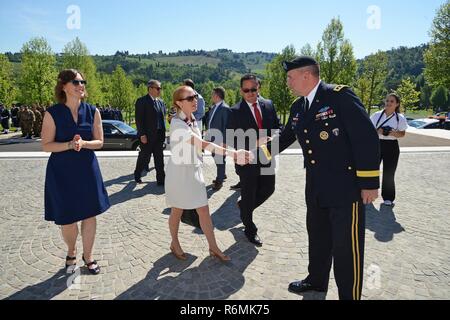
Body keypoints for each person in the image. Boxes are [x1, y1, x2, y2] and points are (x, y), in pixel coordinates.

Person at [261, 56, 380, 300]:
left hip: (346, 189)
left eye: (290, 77)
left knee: (346, 249)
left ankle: (349, 295)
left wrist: (369, 183)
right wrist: (254, 155)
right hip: (315, 187)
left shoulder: (339, 97)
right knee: (318, 237)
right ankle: (316, 281)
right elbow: (285, 138)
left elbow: (366, 138)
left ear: (306, 76)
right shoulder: (298, 107)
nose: (287, 82)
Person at [165, 85, 251, 262]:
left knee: (204, 210)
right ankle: (174, 242)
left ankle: (213, 247)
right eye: (190, 98)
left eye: (195, 96)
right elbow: (202, 143)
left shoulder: (192, 120)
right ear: (179, 103)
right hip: (180, 175)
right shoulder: (177, 124)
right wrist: (234, 154)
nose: (195, 100)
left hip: (194, 171)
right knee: (177, 210)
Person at [41, 69, 110, 275]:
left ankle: (88, 256)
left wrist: (85, 143)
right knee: (68, 219)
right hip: (61, 172)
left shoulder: (93, 111)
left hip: (87, 170)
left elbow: (100, 142)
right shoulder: (52, 113)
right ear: (63, 86)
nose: (81, 85)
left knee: (89, 215)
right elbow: (46, 145)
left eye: (83, 81)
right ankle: (71, 250)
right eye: (76, 81)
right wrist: (70, 145)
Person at [227, 74, 281, 247]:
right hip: (246, 161)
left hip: (266, 156)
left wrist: (276, 135)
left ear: (259, 88)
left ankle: (244, 208)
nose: (250, 93)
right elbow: (230, 140)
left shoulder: (269, 105)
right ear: (241, 91)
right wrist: (254, 142)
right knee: (249, 195)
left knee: (268, 189)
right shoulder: (234, 111)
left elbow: (277, 126)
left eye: (253, 89)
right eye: (246, 90)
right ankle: (250, 229)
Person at [370, 93, 407, 207]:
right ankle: (369, 194)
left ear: (397, 104)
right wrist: (378, 131)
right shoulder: (376, 115)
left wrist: (392, 133)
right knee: (371, 171)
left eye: (391, 101)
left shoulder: (399, 118)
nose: (388, 103)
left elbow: (402, 134)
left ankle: (388, 198)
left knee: (389, 173)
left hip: (392, 146)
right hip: (376, 144)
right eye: (387, 101)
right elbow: (368, 130)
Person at [133, 80, 166, 185]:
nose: (159, 90)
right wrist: (142, 134)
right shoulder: (141, 101)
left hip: (159, 136)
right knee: (144, 157)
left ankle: (161, 180)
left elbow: (162, 119)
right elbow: (139, 120)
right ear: (150, 88)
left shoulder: (161, 102)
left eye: (160, 88)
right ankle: (137, 174)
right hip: (147, 137)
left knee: (159, 159)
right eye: (158, 88)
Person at [205, 87, 231, 190]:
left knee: (220, 159)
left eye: (212, 94)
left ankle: (219, 181)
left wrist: (225, 142)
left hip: (220, 139)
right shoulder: (214, 107)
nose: (211, 96)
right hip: (213, 137)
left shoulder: (225, 108)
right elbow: (210, 122)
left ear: (217, 95)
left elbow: (227, 127)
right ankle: (222, 174)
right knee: (215, 157)